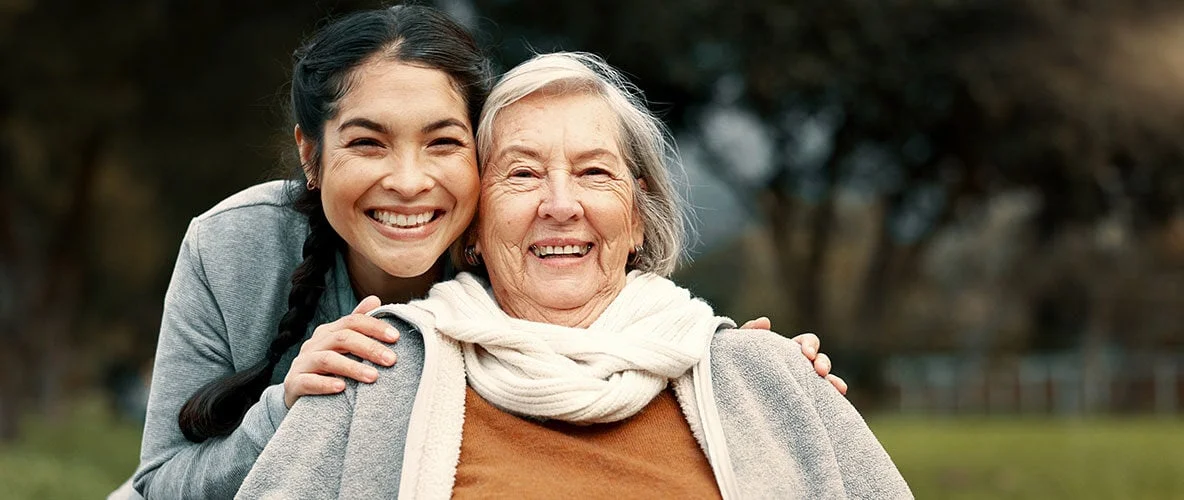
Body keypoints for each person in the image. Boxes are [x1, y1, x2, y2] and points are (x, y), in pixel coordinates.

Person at [124, 5, 843, 499]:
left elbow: (615, 311)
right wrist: (285, 405)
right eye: (368, 142)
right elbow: (160, 483)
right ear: (311, 157)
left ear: (480, 157)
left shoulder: (521, 251)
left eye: (442, 142)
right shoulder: (236, 244)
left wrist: (745, 373)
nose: (408, 183)